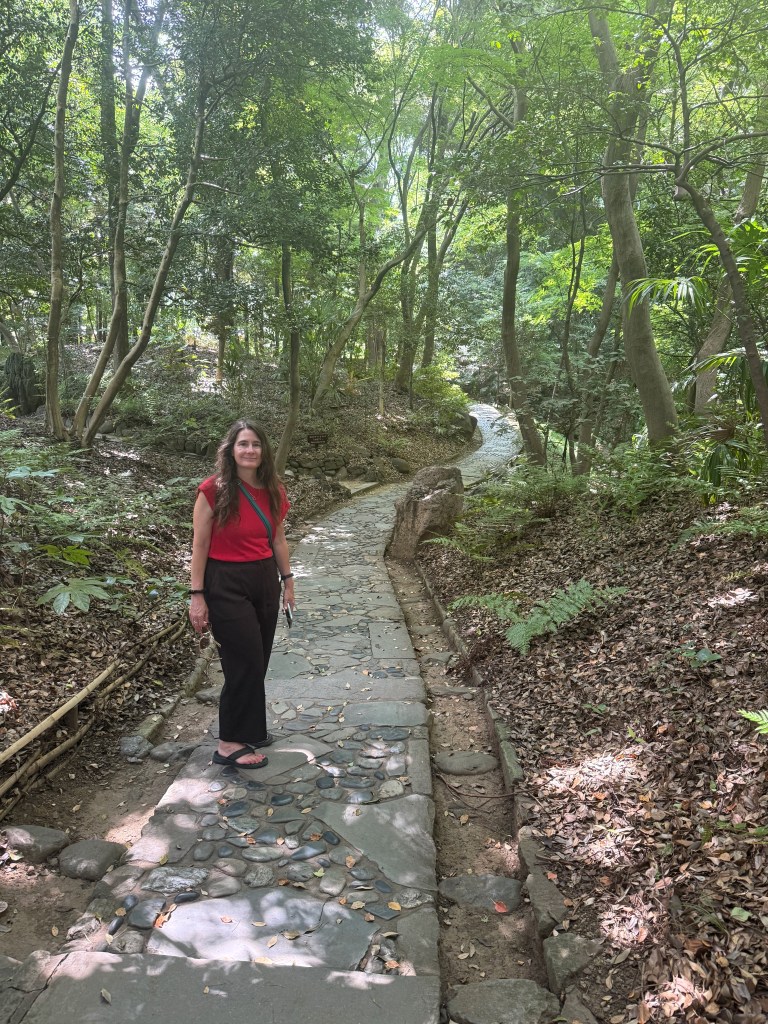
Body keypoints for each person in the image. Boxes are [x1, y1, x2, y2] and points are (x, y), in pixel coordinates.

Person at [188, 420, 295, 769]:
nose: (250, 450)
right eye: (243, 444)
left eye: (256, 444)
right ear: (231, 450)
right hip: (225, 580)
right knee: (243, 658)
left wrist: (288, 580)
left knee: (259, 656)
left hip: (264, 577)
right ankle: (229, 742)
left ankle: (251, 728)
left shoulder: (273, 488)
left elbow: (277, 538)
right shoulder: (212, 490)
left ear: (264, 451)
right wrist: (197, 595)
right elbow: (200, 545)